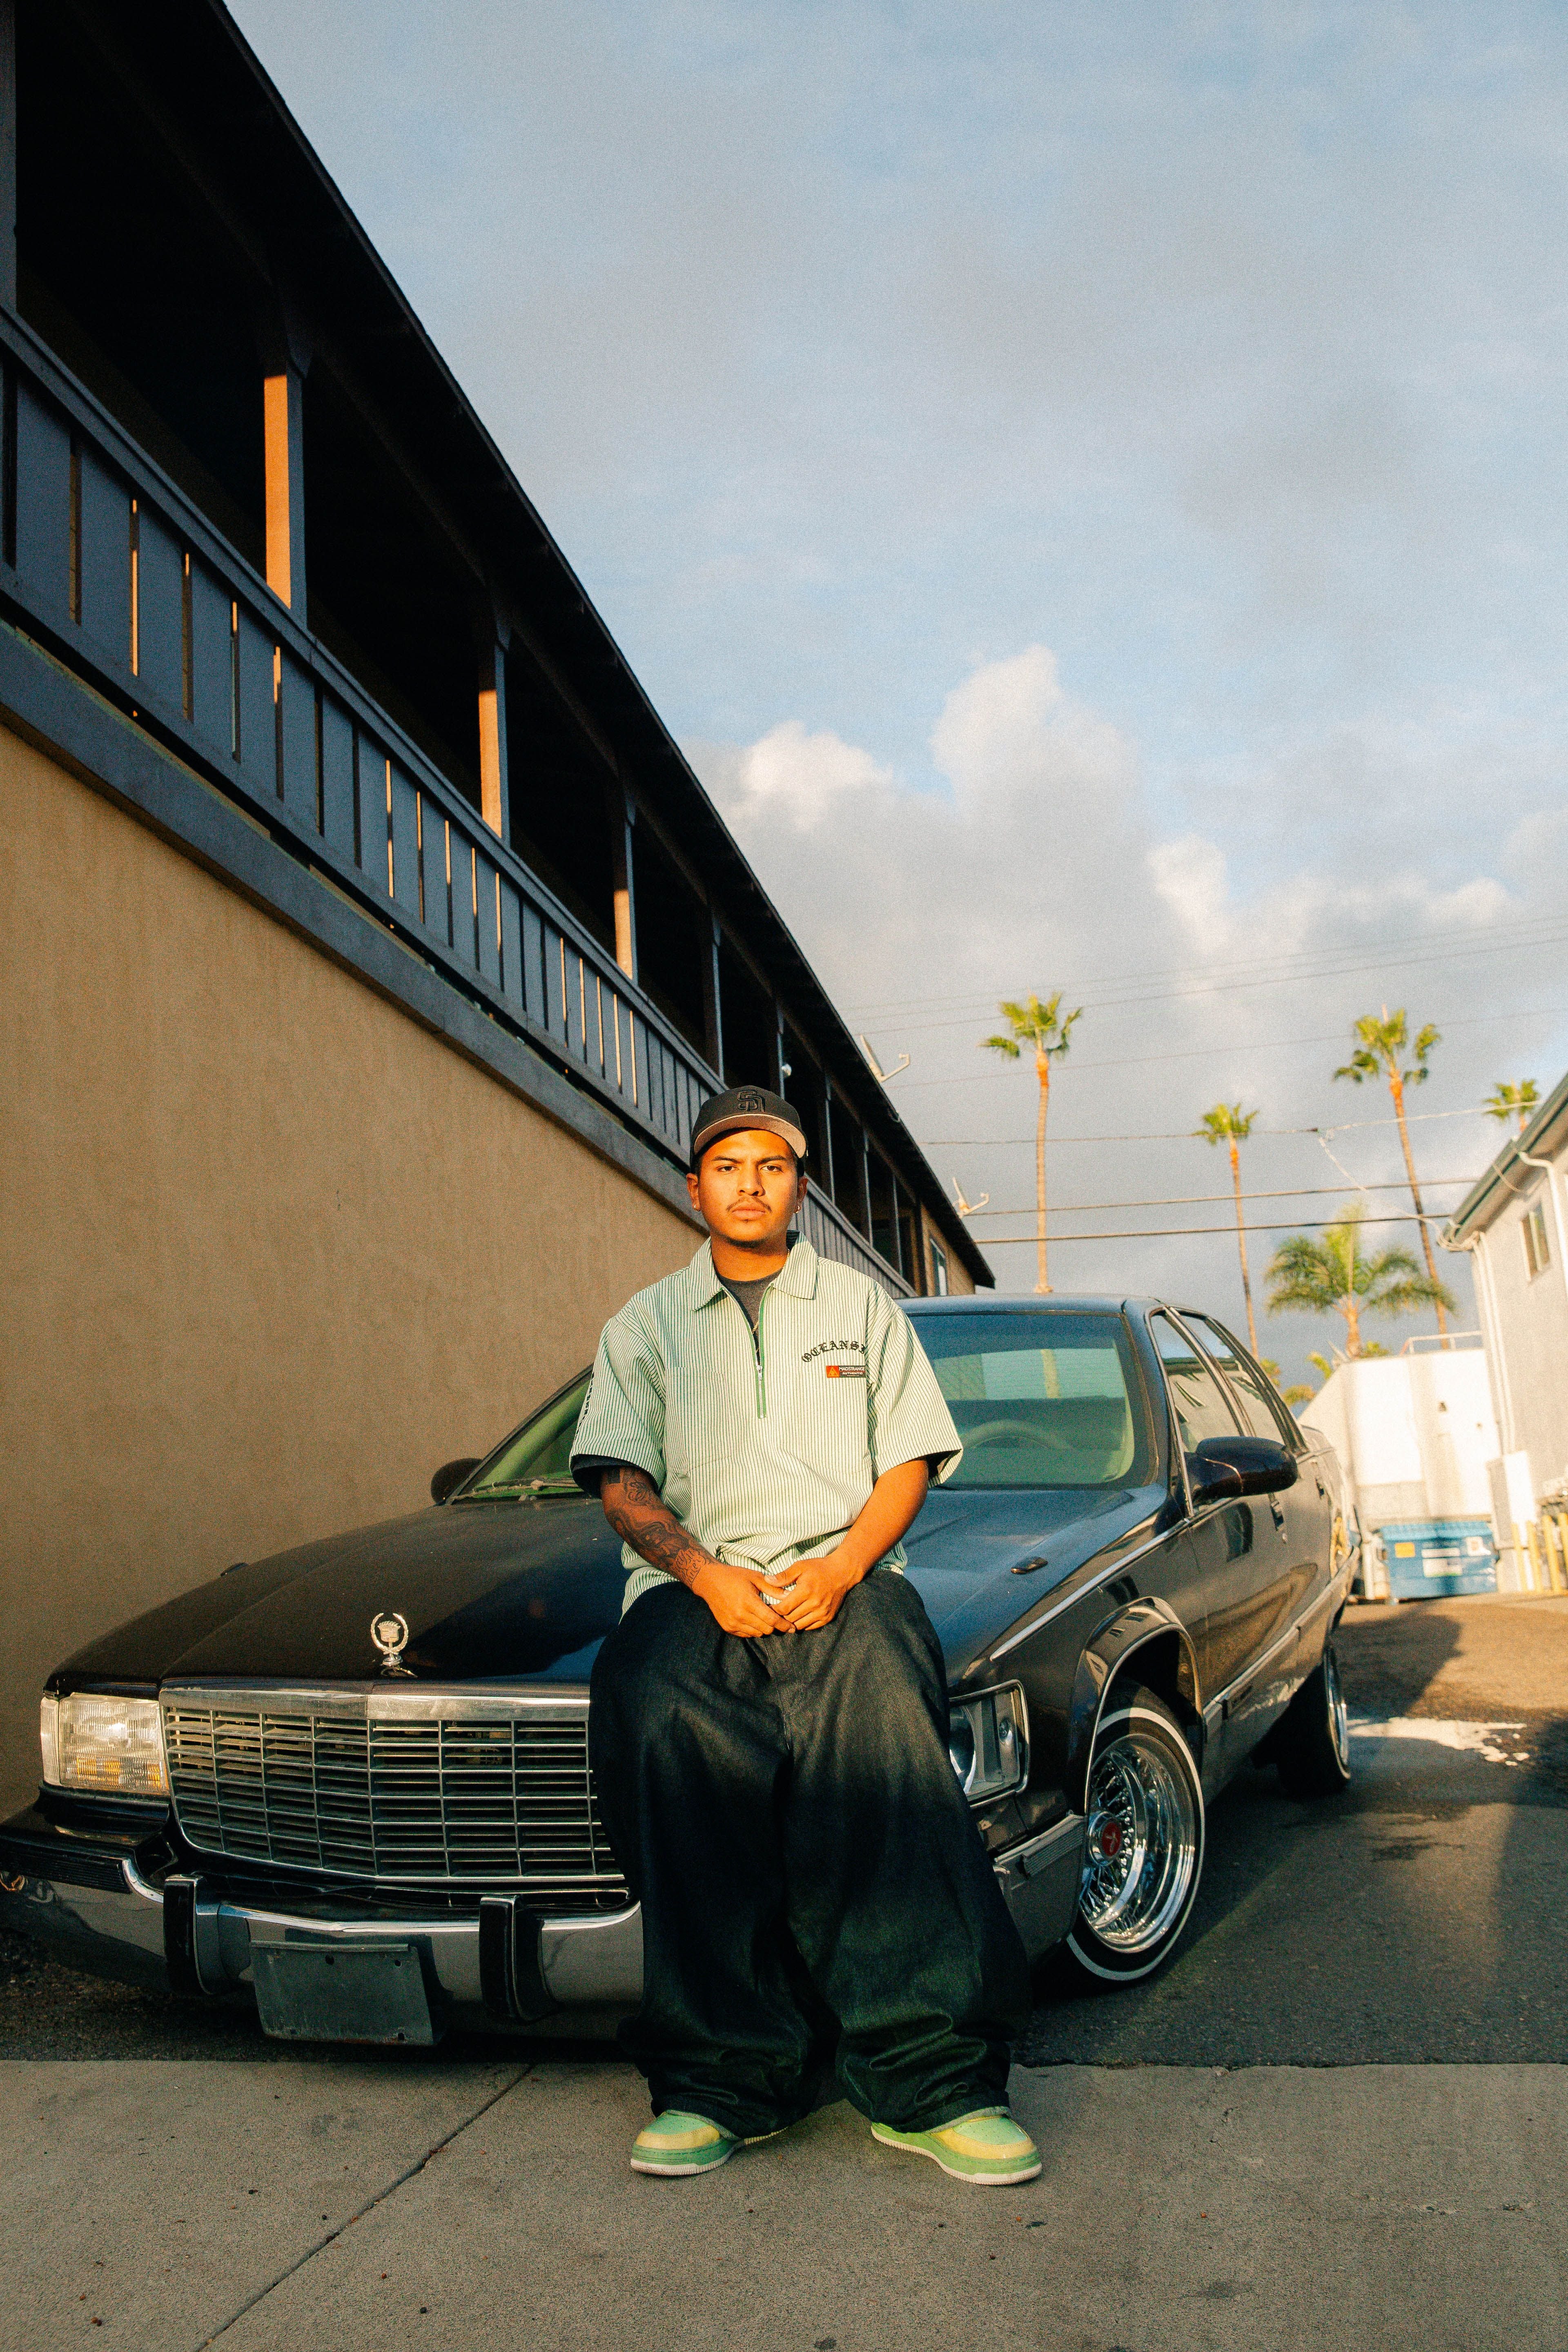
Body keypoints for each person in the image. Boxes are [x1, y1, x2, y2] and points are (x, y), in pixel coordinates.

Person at [571, 1082, 1037, 2186]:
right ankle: (720, 2082)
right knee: (658, 1722)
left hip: (847, 1578)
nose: (749, 1185)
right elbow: (624, 1482)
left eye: (771, 1167)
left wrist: (841, 1568)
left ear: (799, 1188)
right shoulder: (644, 1324)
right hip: (698, 1588)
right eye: (727, 1166)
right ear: (695, 1188)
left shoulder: (864, 1308)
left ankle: (936, 2082)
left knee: (887, 1757)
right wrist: (702, 1574)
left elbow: (908, 1459)